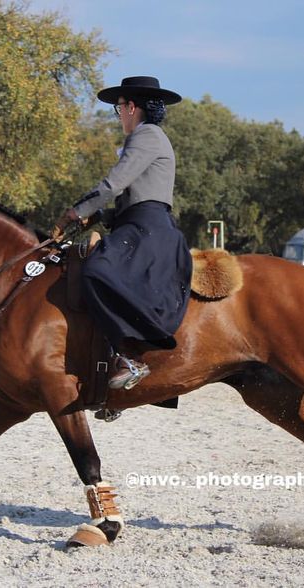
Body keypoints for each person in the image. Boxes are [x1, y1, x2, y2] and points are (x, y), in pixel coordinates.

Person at [51, 76, 191, 392]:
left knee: (96, 272)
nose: (119, 116)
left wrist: (76, 212)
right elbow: (134, 200)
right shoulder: (149, 137)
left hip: (148, 229)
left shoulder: (147, 136)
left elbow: (113, 185)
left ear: (130, 107)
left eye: (118, 109)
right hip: (138, 223)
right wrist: (100, 216)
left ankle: (129, 357)